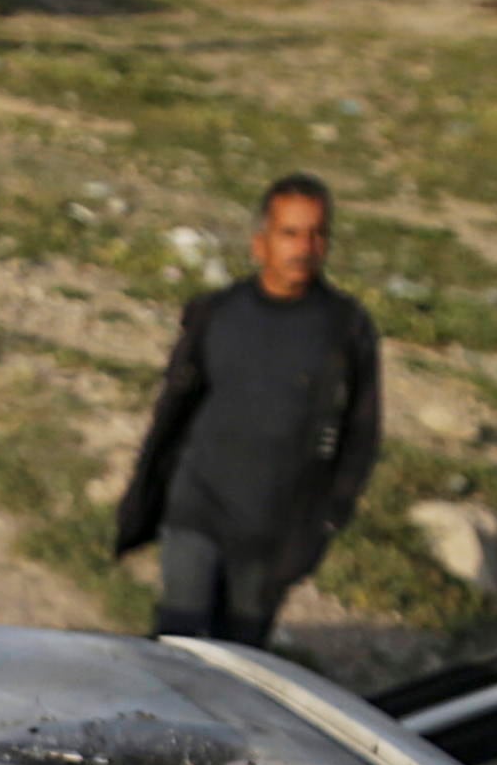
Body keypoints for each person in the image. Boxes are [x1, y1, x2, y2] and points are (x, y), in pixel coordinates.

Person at [110, 173, 385, 645]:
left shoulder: (345, 328)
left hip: (273, 534)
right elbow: (172, 409)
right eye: (290, 233)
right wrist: (146, 493)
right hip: (196, 509)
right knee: (178, 646)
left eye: (317, 233)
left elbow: (361, 432)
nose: (304, 246)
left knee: (242, 660)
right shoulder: (214, 313)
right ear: (261, 242)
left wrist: (329, 517)